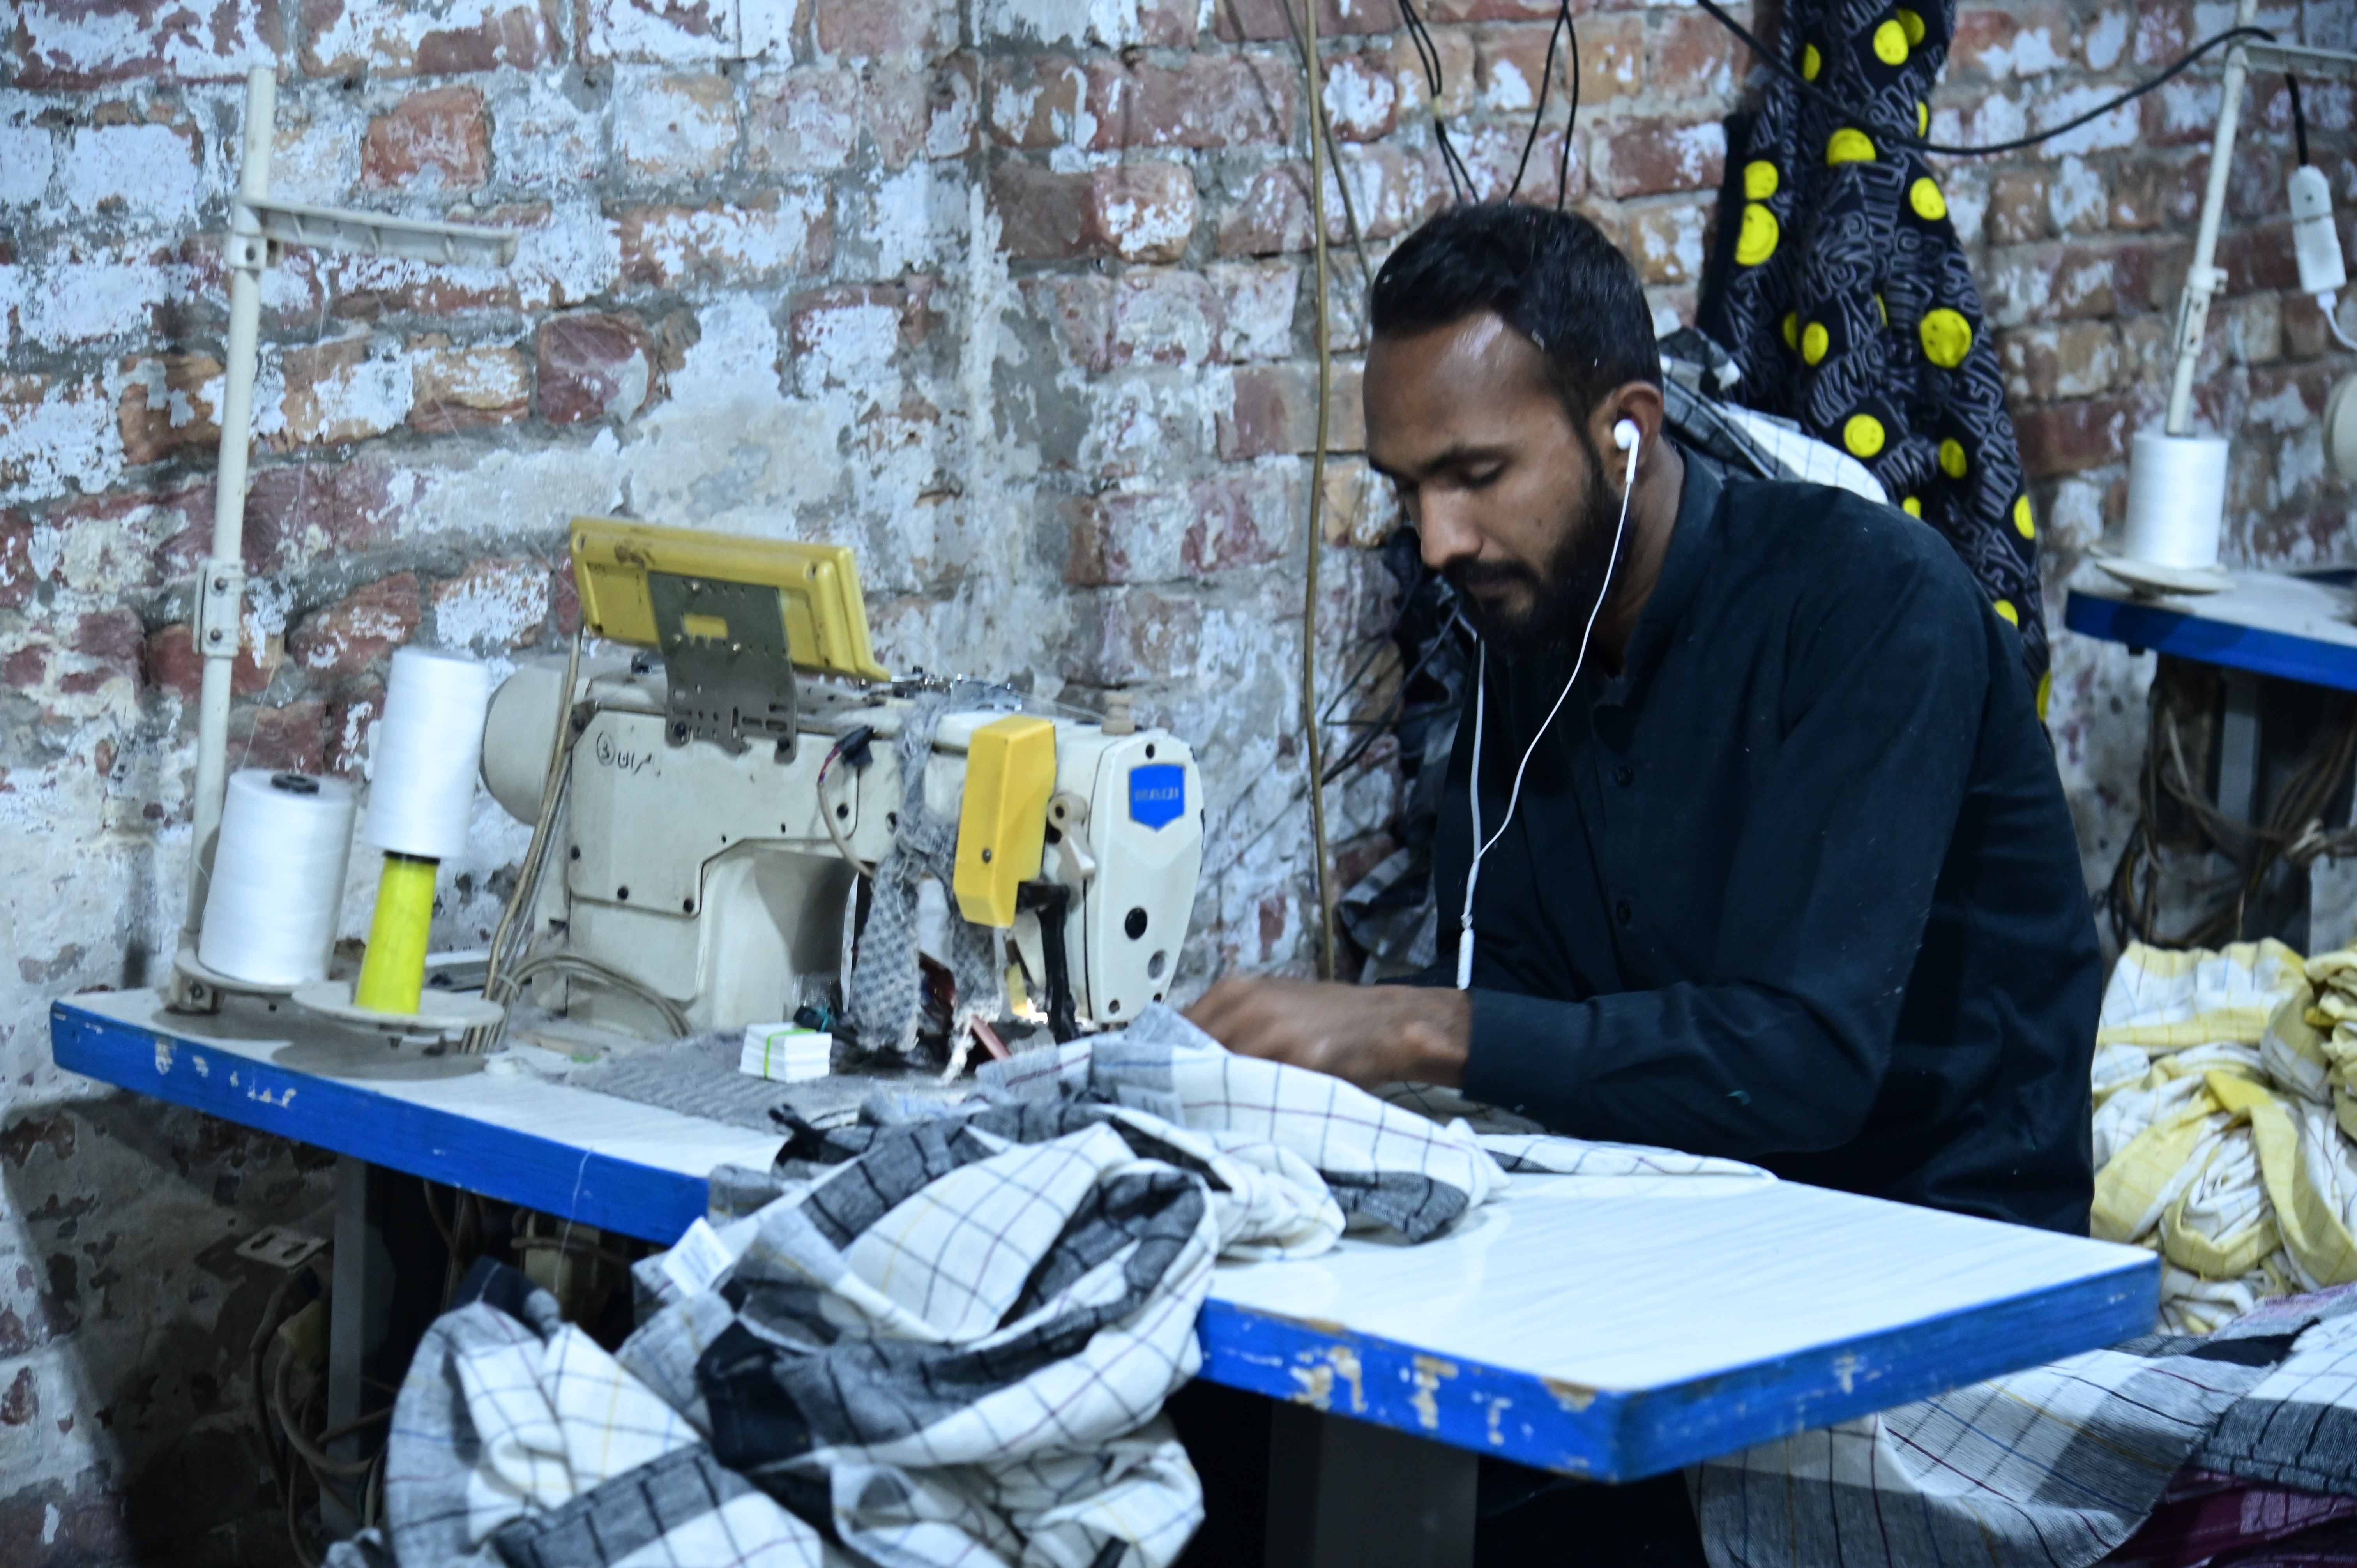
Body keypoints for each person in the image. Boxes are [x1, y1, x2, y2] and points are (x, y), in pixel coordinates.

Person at [1184, 203, 2103, 1561]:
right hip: (1683, 1239)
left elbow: (1803, 1061)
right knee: (1214, 1440)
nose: (1436, 540)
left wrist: (1407, 1026)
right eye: (1406, 489)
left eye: (1477, 474)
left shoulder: (1870, 608)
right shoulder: (1525, 638)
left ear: (1629, 426)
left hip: (1924, 1277)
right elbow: (1533, 1018)